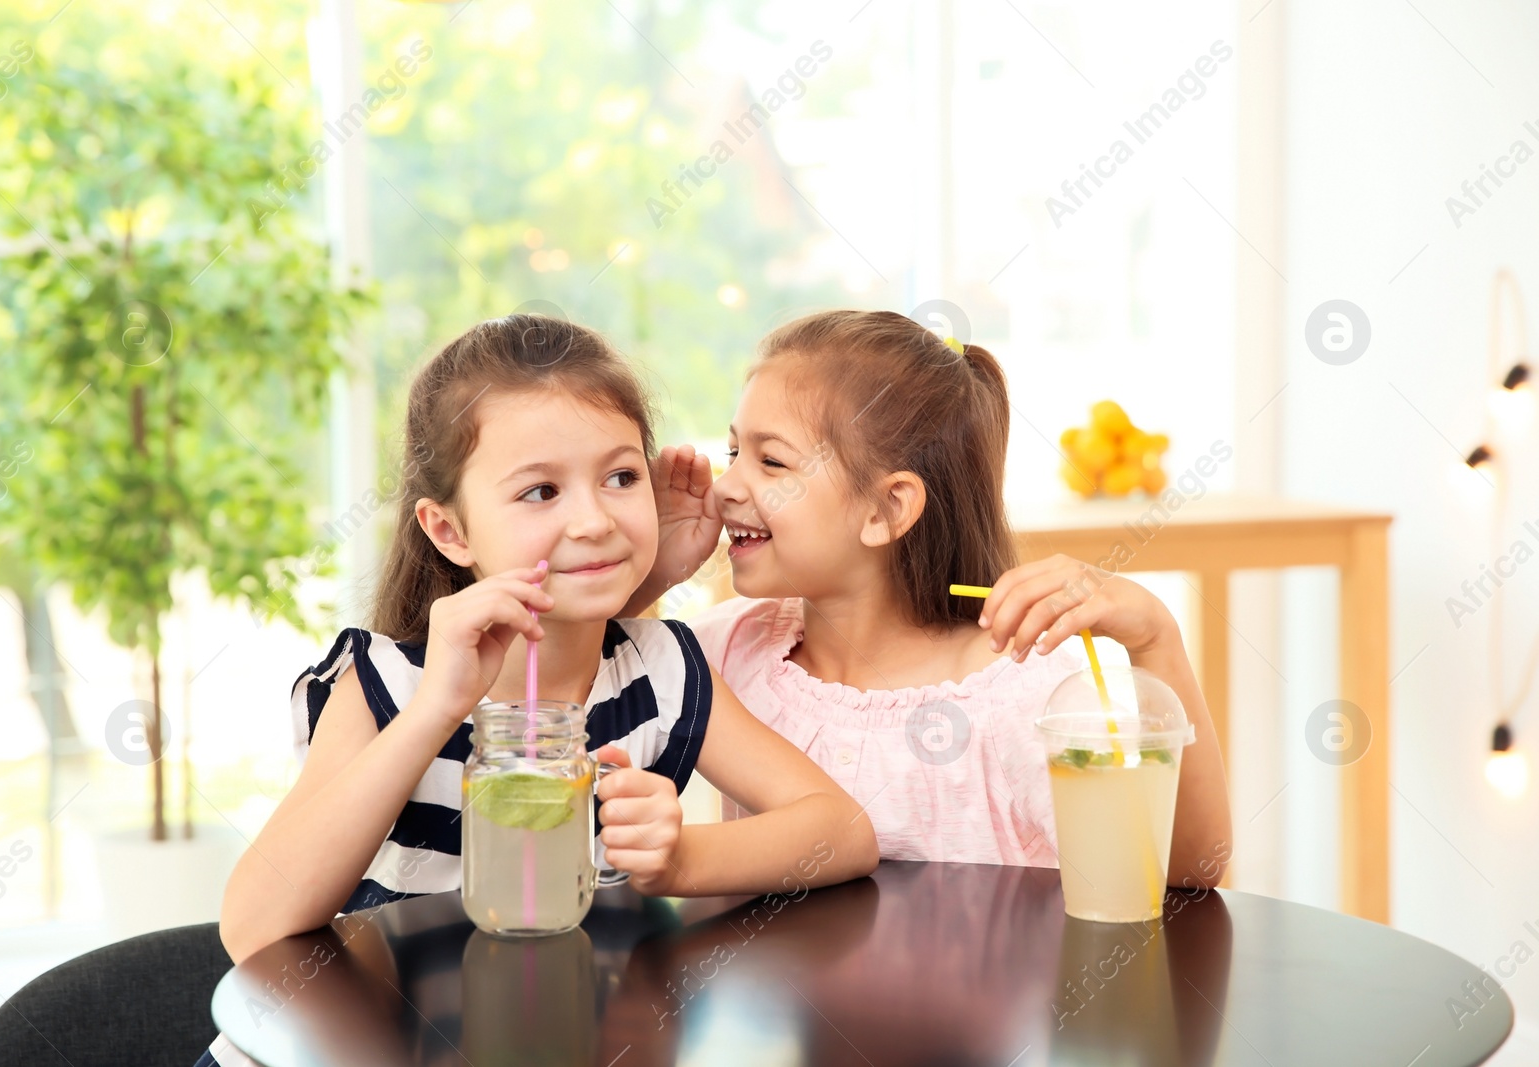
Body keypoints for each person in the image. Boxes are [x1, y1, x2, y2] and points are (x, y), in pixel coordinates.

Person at [195, 315, 878, 1067]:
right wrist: (437, 709)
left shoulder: (663, 672)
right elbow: (252, 926)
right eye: (540, 491)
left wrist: (680, 859)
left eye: (620, 477)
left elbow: (842, 830)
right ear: (450, 532)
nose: (592, 519)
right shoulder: (389, 683)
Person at [624, 309, 1232, 882]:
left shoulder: (1020, 690)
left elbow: (1181, 871)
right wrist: (654, 572)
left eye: (772, 462)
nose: (726, 485)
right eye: (734, 452)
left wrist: (1157, 638)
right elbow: (580, 683)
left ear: (887, 509)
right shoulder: (729, 649)